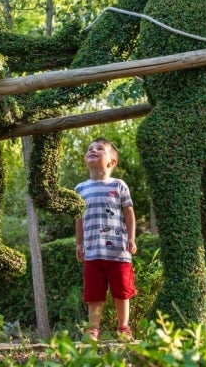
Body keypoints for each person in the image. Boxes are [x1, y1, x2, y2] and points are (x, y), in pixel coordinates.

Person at [75, 138, 137, 341]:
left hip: (118, 252)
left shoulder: (119, 185)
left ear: (112, 162)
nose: (92, 150)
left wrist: (132, 238)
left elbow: (129, 214)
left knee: (122, 291)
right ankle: (93, 330)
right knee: (94, 293)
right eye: (89, 148)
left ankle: (123, 328)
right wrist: (79, 243)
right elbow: (78, 219)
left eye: (99, 149)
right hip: (92, 252)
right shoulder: (80, 189)